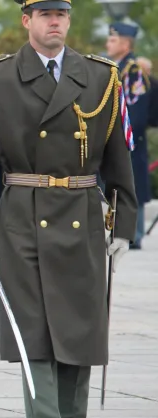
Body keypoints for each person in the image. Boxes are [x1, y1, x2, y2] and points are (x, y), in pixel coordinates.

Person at [0, 1, 138, 418]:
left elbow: (119, 158)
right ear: (27, 20)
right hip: (24, 217)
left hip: (82, 214)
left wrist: (124, 225)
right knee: (33, 337)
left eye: (61, 13)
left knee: (80, 337)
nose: (55, 21)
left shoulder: (100, 77)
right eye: (44, 14)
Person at [105, 22, 152, 250]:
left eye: (113, 40)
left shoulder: (133, 72)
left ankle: (133, 232)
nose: (108, 44)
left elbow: (136, 112)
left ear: (125, 44)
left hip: (130, 141)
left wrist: (120, 136)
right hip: (116, 139)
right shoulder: (115, 68)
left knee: (133, 184)